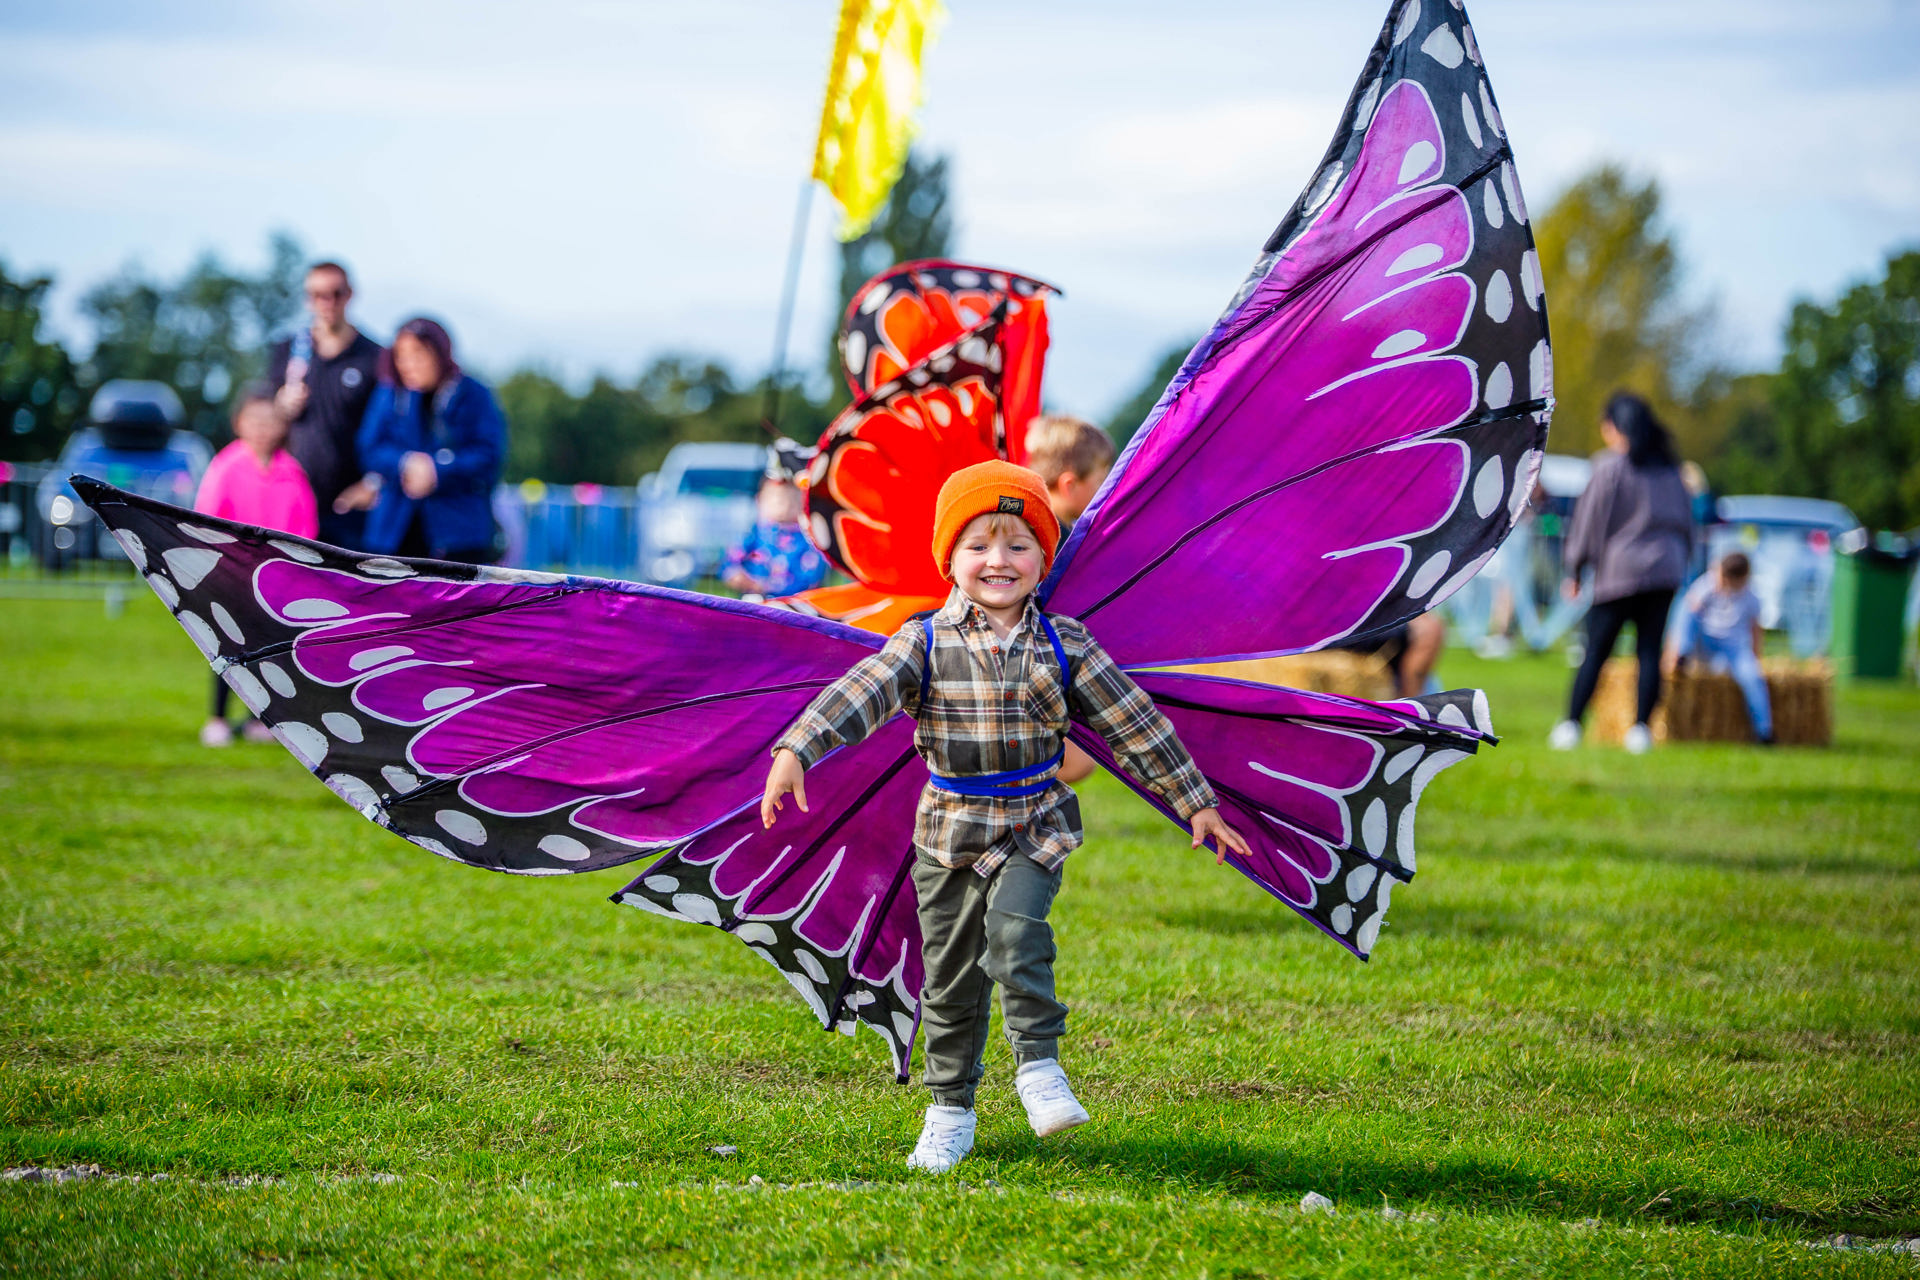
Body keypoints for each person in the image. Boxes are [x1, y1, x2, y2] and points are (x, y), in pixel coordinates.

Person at [760, 461, 1251, 1174]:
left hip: (1033, 823)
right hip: (948, 832)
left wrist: (1195, 801)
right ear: (949, 559)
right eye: (979, 545)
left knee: (1017, 933)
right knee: (952, 980)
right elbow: (856, 695)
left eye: (1018, 545)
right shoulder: (921, 640)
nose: (999, 560)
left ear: (1043, 560)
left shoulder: (1066, 643)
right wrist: (798, 749)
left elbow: (1136, 725)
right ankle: (949, 1109)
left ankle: (1039, 1068)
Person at [1550, 393, 1694, 754]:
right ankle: (1642, 729)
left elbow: (1589, 521)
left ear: (1615, 427)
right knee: (1649, 651)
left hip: (1619, 572)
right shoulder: (1671, 469)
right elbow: (1688, 524)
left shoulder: (1610, 466)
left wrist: (1576, 568)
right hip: (1665, 569)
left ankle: (1571, 724)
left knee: (1596, 650)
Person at [192, 386, 319, 746]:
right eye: (255, 420)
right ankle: (217, 717)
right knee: (226, 648)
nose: (263, 429)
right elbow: (208, 519)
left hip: (276, 580)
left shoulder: (291, 472)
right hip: (232, 576)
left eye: (271, 421)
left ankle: (257, 719)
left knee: (266, 651)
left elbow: (305, 527)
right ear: (239, 423)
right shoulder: (226, 466)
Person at [356, 317, 506, 564]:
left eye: (419, 354)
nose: (409, 364)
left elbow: (488, 454)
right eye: (401, 356)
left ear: (441, 353)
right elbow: (369, 447)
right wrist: (406, 463)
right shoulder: (390, 394)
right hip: (393, 532)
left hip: (460, 532)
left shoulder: (474, 394)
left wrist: (438, 469)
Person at [265, 261, 384, 548]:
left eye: (336, 293)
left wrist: (374, 483)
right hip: (295, 501)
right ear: (307, 299)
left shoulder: (375, 357)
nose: (327, 302)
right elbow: (259, 417)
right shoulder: (289, 351)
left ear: (350, 294)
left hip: (350, 508)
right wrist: (280, 406)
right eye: (318, 294)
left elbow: (392, 427)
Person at [1666, 551, 1772, 743]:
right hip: (1705, 642)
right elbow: (1685, 619)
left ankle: (1764, 732)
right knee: (1686, 606)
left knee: (1752, 678)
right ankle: (1683, 654)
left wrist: (1755, 658)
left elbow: (1756, 629)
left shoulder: (1751, 597)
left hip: (1733, 649)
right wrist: (1673, 651)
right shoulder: (1706, 586)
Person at [722, 467, 827, 598]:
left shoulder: (809, 538)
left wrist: (766, 586)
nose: (785, 507)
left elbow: (810, 579)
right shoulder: (755, 532)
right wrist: (735, 575)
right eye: (777, 500)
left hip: (795, 607)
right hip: (752, 602)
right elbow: (731, 560)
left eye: (792, 500)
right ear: (760, 500)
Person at [1024, 414, 1116, 528]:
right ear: (1070, 486)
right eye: (1100, 482)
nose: (1107, 491)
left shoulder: (1024, 532)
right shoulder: (1057, 542)